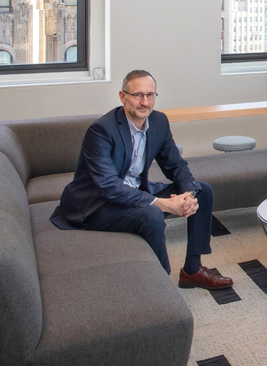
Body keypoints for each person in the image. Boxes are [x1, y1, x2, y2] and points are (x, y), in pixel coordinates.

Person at [50, 70, 233, 290]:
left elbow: (175, 165)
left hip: (134, 192)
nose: (144, 102)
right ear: (122, 96)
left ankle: (192, 271)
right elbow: (109, 187)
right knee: (152, 214)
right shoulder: (101, 130)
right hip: (97, 205)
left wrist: (188, 196)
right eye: (137, 95)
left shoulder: (159, 121)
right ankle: (161, 287)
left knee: (202, 191)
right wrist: (162, 203)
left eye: (150, 95)